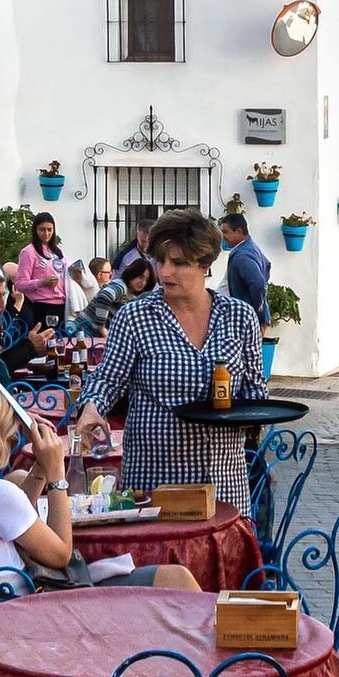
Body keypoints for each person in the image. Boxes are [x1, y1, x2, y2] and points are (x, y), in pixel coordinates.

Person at [0, 368, 201, 629]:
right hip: (30, 621)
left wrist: (38, 467)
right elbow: (61, 554)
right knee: (175, 579)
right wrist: (56, 474)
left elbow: (8, 517)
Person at [75, 210, 267, 514]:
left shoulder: (239, 317)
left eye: (178, 263)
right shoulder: (135, 317)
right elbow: (107, 379)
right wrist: (91, 407)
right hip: (155, 480)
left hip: (223, 480)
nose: (164, 273)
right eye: (159, 261)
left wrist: (252, 416)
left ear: (205, 264)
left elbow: (255, 390)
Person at [217, 213, 272, 332]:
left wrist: (257, 309)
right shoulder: (250, 247)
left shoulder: (242, 255)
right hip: (249, 318)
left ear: (238, 231)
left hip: (247, 320)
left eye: (226, 232)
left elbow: (258, 283)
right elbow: (267, 266)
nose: (223, 236)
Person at [75, 257, 156, 335]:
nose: (143, 282)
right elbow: (104, 296)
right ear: (132, 274)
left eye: (146, 279)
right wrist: (101, 327)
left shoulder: (131, 295)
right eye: (140, 277)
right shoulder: (121, 286)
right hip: (84, 331)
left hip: (90, 334)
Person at [16, 213, 67, 329]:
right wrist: (41, 282)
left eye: (50, 230)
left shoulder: (58, 251)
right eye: (42, 230)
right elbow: (20, 284)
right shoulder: (28, 252)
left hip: (62, 304)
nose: (46, 234)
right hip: (42, 305)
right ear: (35, 230)